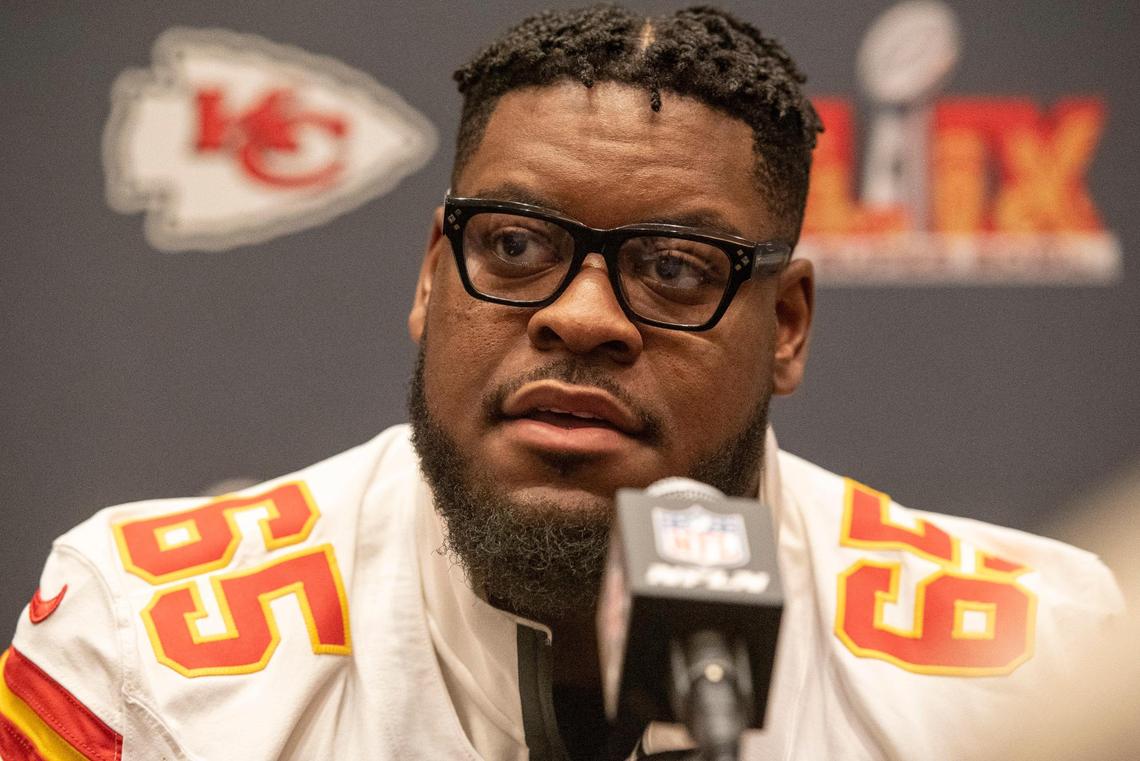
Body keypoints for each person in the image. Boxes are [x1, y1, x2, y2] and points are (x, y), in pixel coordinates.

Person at [0, 5, 1122, 761]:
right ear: (433, 277)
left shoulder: (1039, 668)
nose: (581, 317)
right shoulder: (141, 637)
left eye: (676, 269)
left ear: (785, 326)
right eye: (517, 247)